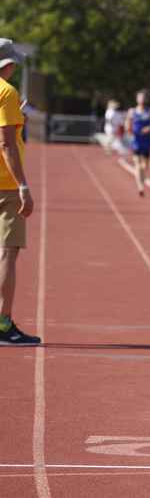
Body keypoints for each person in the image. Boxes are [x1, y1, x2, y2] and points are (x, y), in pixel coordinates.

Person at [0, 38, 39, 345]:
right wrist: (23, 185)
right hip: (6, 184)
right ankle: (3, 324)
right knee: (7, 253)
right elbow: (6, 143)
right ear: (8, 64)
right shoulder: (7, 92)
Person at [125, 90, 150, 197]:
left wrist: (149, 128)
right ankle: (140, 187)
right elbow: (127, 123)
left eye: (143, 97)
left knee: (145, 166)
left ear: (146, 99)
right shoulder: (132, 111)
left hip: (146, 141)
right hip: (136, 140)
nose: (141, 99)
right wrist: (129, 130)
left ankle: (142, 177)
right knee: (137, 163)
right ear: (137, 99)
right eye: (139, 97)